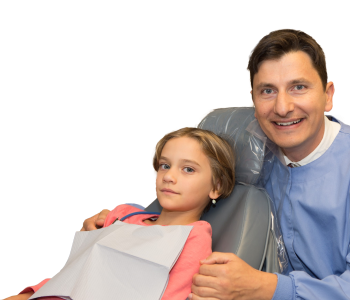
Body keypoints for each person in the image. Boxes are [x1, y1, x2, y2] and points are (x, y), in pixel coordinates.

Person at [78, 28, 349, 300]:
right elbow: (190, 189)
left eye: (298, 87)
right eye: (267, 90)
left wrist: (268, 288)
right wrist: (125, 218)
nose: (282, 107)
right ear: (253, 98)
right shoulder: (253, 151)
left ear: (328, 94)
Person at [9, 127, 236, 300]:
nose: (169, 176)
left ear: (216, 186)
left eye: (188, 169)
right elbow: (76, 270)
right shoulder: (123, 215)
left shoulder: (194, 236)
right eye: (165, 165)